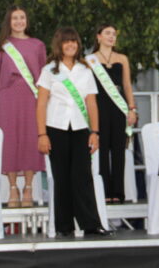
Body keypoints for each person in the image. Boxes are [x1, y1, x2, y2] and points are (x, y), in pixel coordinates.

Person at [36, 27, 111, 237]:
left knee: (83, 176)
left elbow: (91, 103)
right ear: (59, 45)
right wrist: (42, 135)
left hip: (80, 129)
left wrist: (95, 131)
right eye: (66, 42)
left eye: (74, 42)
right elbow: (41, 104)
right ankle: (64, 226)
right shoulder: (49, 70)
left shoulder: (85, 70)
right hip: (55, 128)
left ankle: (90, 224)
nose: (70, 45)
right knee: (61, 178)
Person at [0, 6, 46, 208]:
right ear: (9, 21)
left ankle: (28, 187)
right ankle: (13, 187)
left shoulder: (37, 45)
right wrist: (3, 93)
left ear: (27, 21)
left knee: (31, 138)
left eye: (22, 17)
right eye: (15, 18)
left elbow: (43, 73)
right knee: (10, 140)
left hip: (31, 96)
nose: (19, 21)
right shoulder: (0, 46)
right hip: (8, 96)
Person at [86, 24, 137, 204]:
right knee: (102, 147)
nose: (111, 37)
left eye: (114, 34)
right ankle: (104, 190)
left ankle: (119, 191)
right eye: (107, 33)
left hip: (118, 105)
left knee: (118, 149)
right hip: (99, 106)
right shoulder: (89, 60)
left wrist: (132, 108)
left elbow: (127, 85)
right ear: (98, 36)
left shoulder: (122, 58)